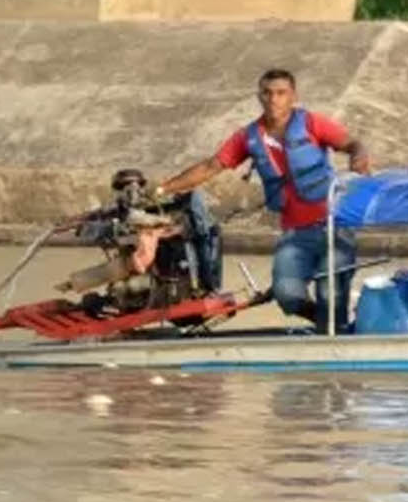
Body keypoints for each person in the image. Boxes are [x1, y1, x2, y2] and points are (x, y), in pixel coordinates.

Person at [157, 68, 369, 331]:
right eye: (267, 93)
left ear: (293, 96)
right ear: (259, 96)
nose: (273, 99)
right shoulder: (248, 137)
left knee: (330, 293)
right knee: (286, 293)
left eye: (281, 93)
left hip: (334, 225)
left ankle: (335, 333)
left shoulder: (312, 123)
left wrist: (358, 156)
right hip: (295, 233)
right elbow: (212, 166)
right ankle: (328, 327)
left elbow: (352, 143)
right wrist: (163, 190)